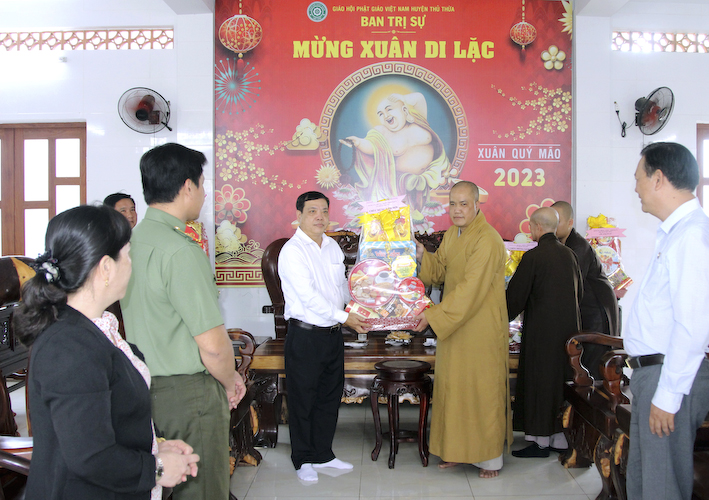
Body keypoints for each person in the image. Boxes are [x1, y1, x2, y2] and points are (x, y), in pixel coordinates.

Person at [13, 205, 199, 500]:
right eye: (127, 255)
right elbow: (90, 456)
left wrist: (155, 446)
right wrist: (157, 468)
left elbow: (108, 418)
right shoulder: (68, 346)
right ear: (106, 268)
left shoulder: (96, 328)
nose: (131, 264)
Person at [121, 143, 246, 500]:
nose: (205, 194)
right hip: (189, 394)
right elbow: (213, 345)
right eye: (203, 185)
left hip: (144, 387)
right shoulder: (180, 251)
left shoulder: (132, 242)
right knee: (201, 489)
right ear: (188, 186)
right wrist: (230, 380)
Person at [624, 142, 709, 500]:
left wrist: (668, 396)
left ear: (658, 179)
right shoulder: (676, 233)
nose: (636, 187)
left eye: (638, 178)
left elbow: (693, 325)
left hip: (668, 376)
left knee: (662, 487)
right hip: (654, 374)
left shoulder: (691, 235)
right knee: (644, 481)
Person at [412, 181, 512, 478]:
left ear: (477, 205)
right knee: (454, 390)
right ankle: (457, 451)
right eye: (453, 204)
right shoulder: (453, 236)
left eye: (464, 204)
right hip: (455, 325)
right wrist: (422, 255)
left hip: (480, 326)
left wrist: (433, 316)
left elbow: (471, 289)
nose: (457, 210)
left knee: (481, 391)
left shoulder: (488, 239)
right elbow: (440, 272)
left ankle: (488, 459)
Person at [278, 191, 369, 483]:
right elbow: (308, 297)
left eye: (324, 211)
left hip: (332, 335)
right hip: (305, 335)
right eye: (312, 211)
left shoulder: (331, 247)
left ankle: (322, 454)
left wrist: (357, 308)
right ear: (299, 216)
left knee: (329, 396)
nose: (320, 217)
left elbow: (341, 287)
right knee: (303, 399)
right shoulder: (292, 251)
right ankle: (303, 459)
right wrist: (345, 317)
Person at [506, 206, 583, 458]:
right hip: (569, 335)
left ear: (537, 227)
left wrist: (500, 316)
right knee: (559, 385)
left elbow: (515, 298)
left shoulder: (534, 257)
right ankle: (559, 440)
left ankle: (539, 443)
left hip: (541, 334)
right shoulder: (570, 255)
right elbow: (580, 293)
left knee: (540, 384)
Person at [345, 92, 451, 220]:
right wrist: (358, 142)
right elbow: (372, 147)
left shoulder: (418, 120)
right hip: (402, 184)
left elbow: (419, 98)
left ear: (404, 110)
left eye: (389, 109)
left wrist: (404, 98)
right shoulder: (383, 132)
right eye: (380, 114)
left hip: (435, 174)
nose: (386, 115)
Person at [552, 201, 620, 379]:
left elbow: (569, 286)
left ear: (570, 223)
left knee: (592, 368)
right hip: (584, 310)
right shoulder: (561, 246)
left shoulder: (578, 247)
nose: (553, 226)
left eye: (557, 221)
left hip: (596, 311)